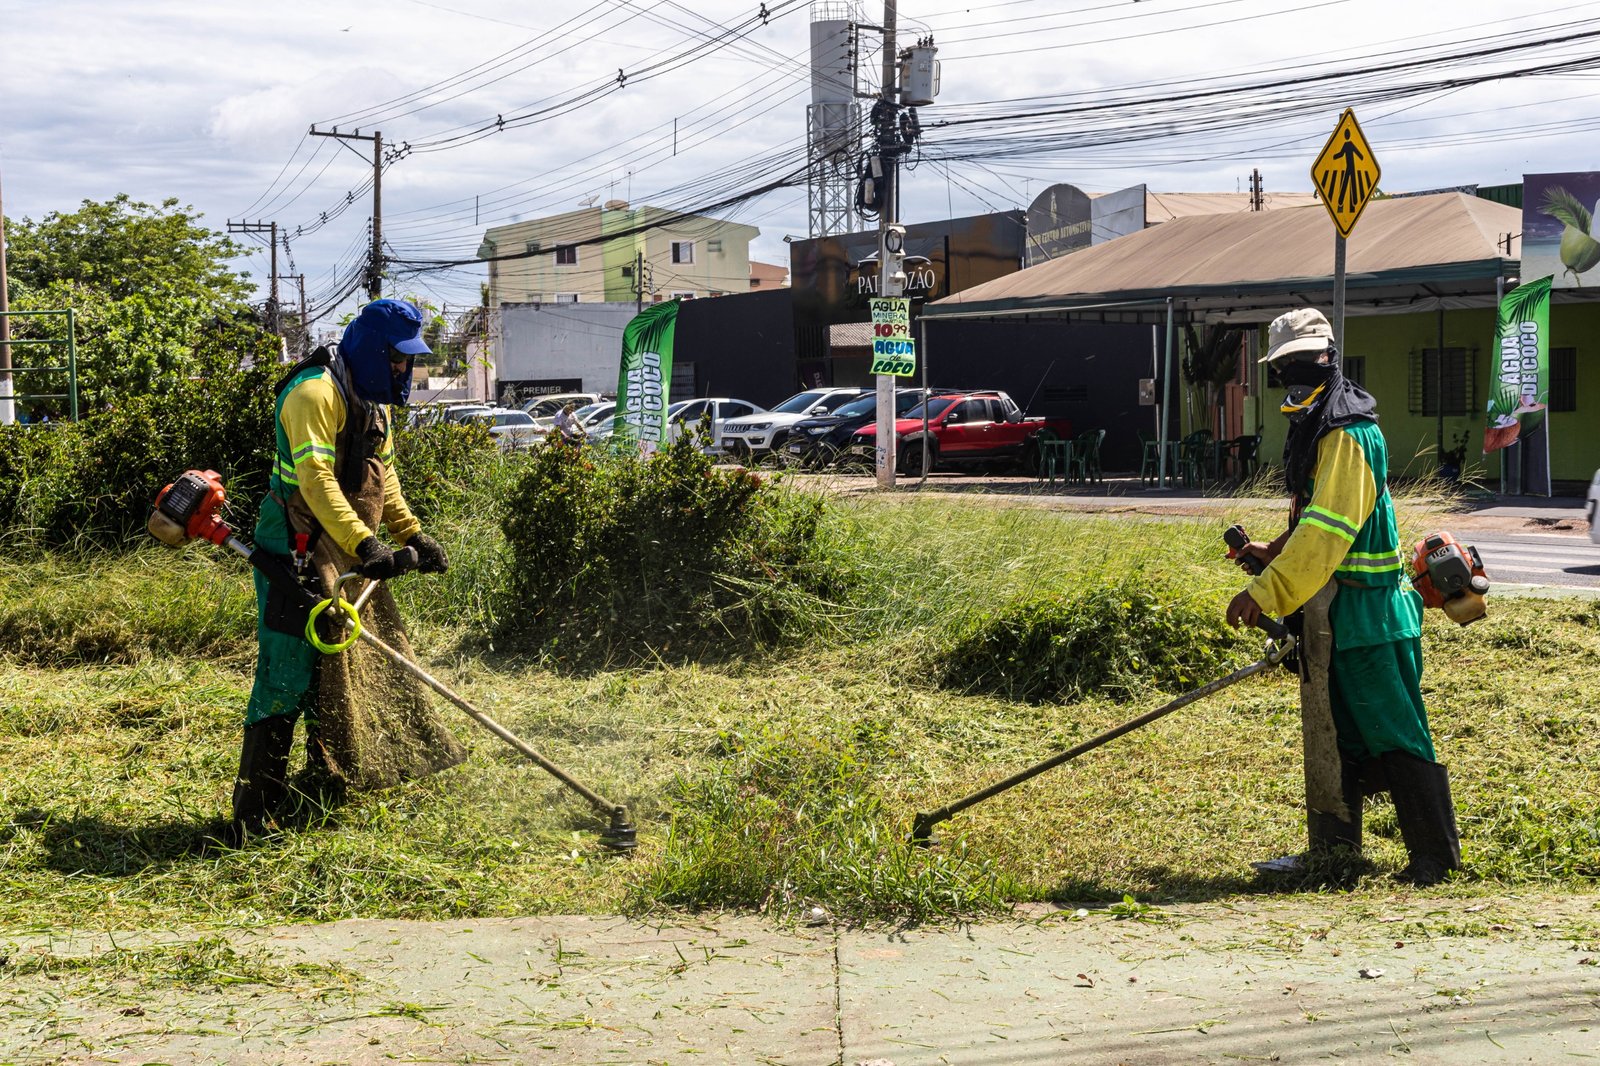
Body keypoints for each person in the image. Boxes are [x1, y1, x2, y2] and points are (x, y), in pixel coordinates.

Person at [1227, 307, 1461, 886]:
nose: (1296, 373)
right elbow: (1315, 514)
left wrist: (1267, 589)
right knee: (1336, 735)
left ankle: (1435, 859)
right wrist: (1273, 548)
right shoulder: (1318, 424)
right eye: (1284, 366)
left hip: (1370, 614)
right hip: (1332, 613)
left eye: (1305, 361)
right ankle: (1335, 855)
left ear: (1330, 358)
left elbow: (1331, 530)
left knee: (1395, 730)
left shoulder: (1350, 431)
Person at [232, 298, 467, 841]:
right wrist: (366, 546)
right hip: (296, 542)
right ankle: (254, 814)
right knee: (288, 670)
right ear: (371, 350)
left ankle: (324, 783)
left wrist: (411, 535)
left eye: (410, 360)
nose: (405, 369)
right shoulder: (314, 393)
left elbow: (381, 475)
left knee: (338, 659)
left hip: (346, 546)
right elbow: (315, 481)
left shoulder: (373, 402)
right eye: (398, 358)